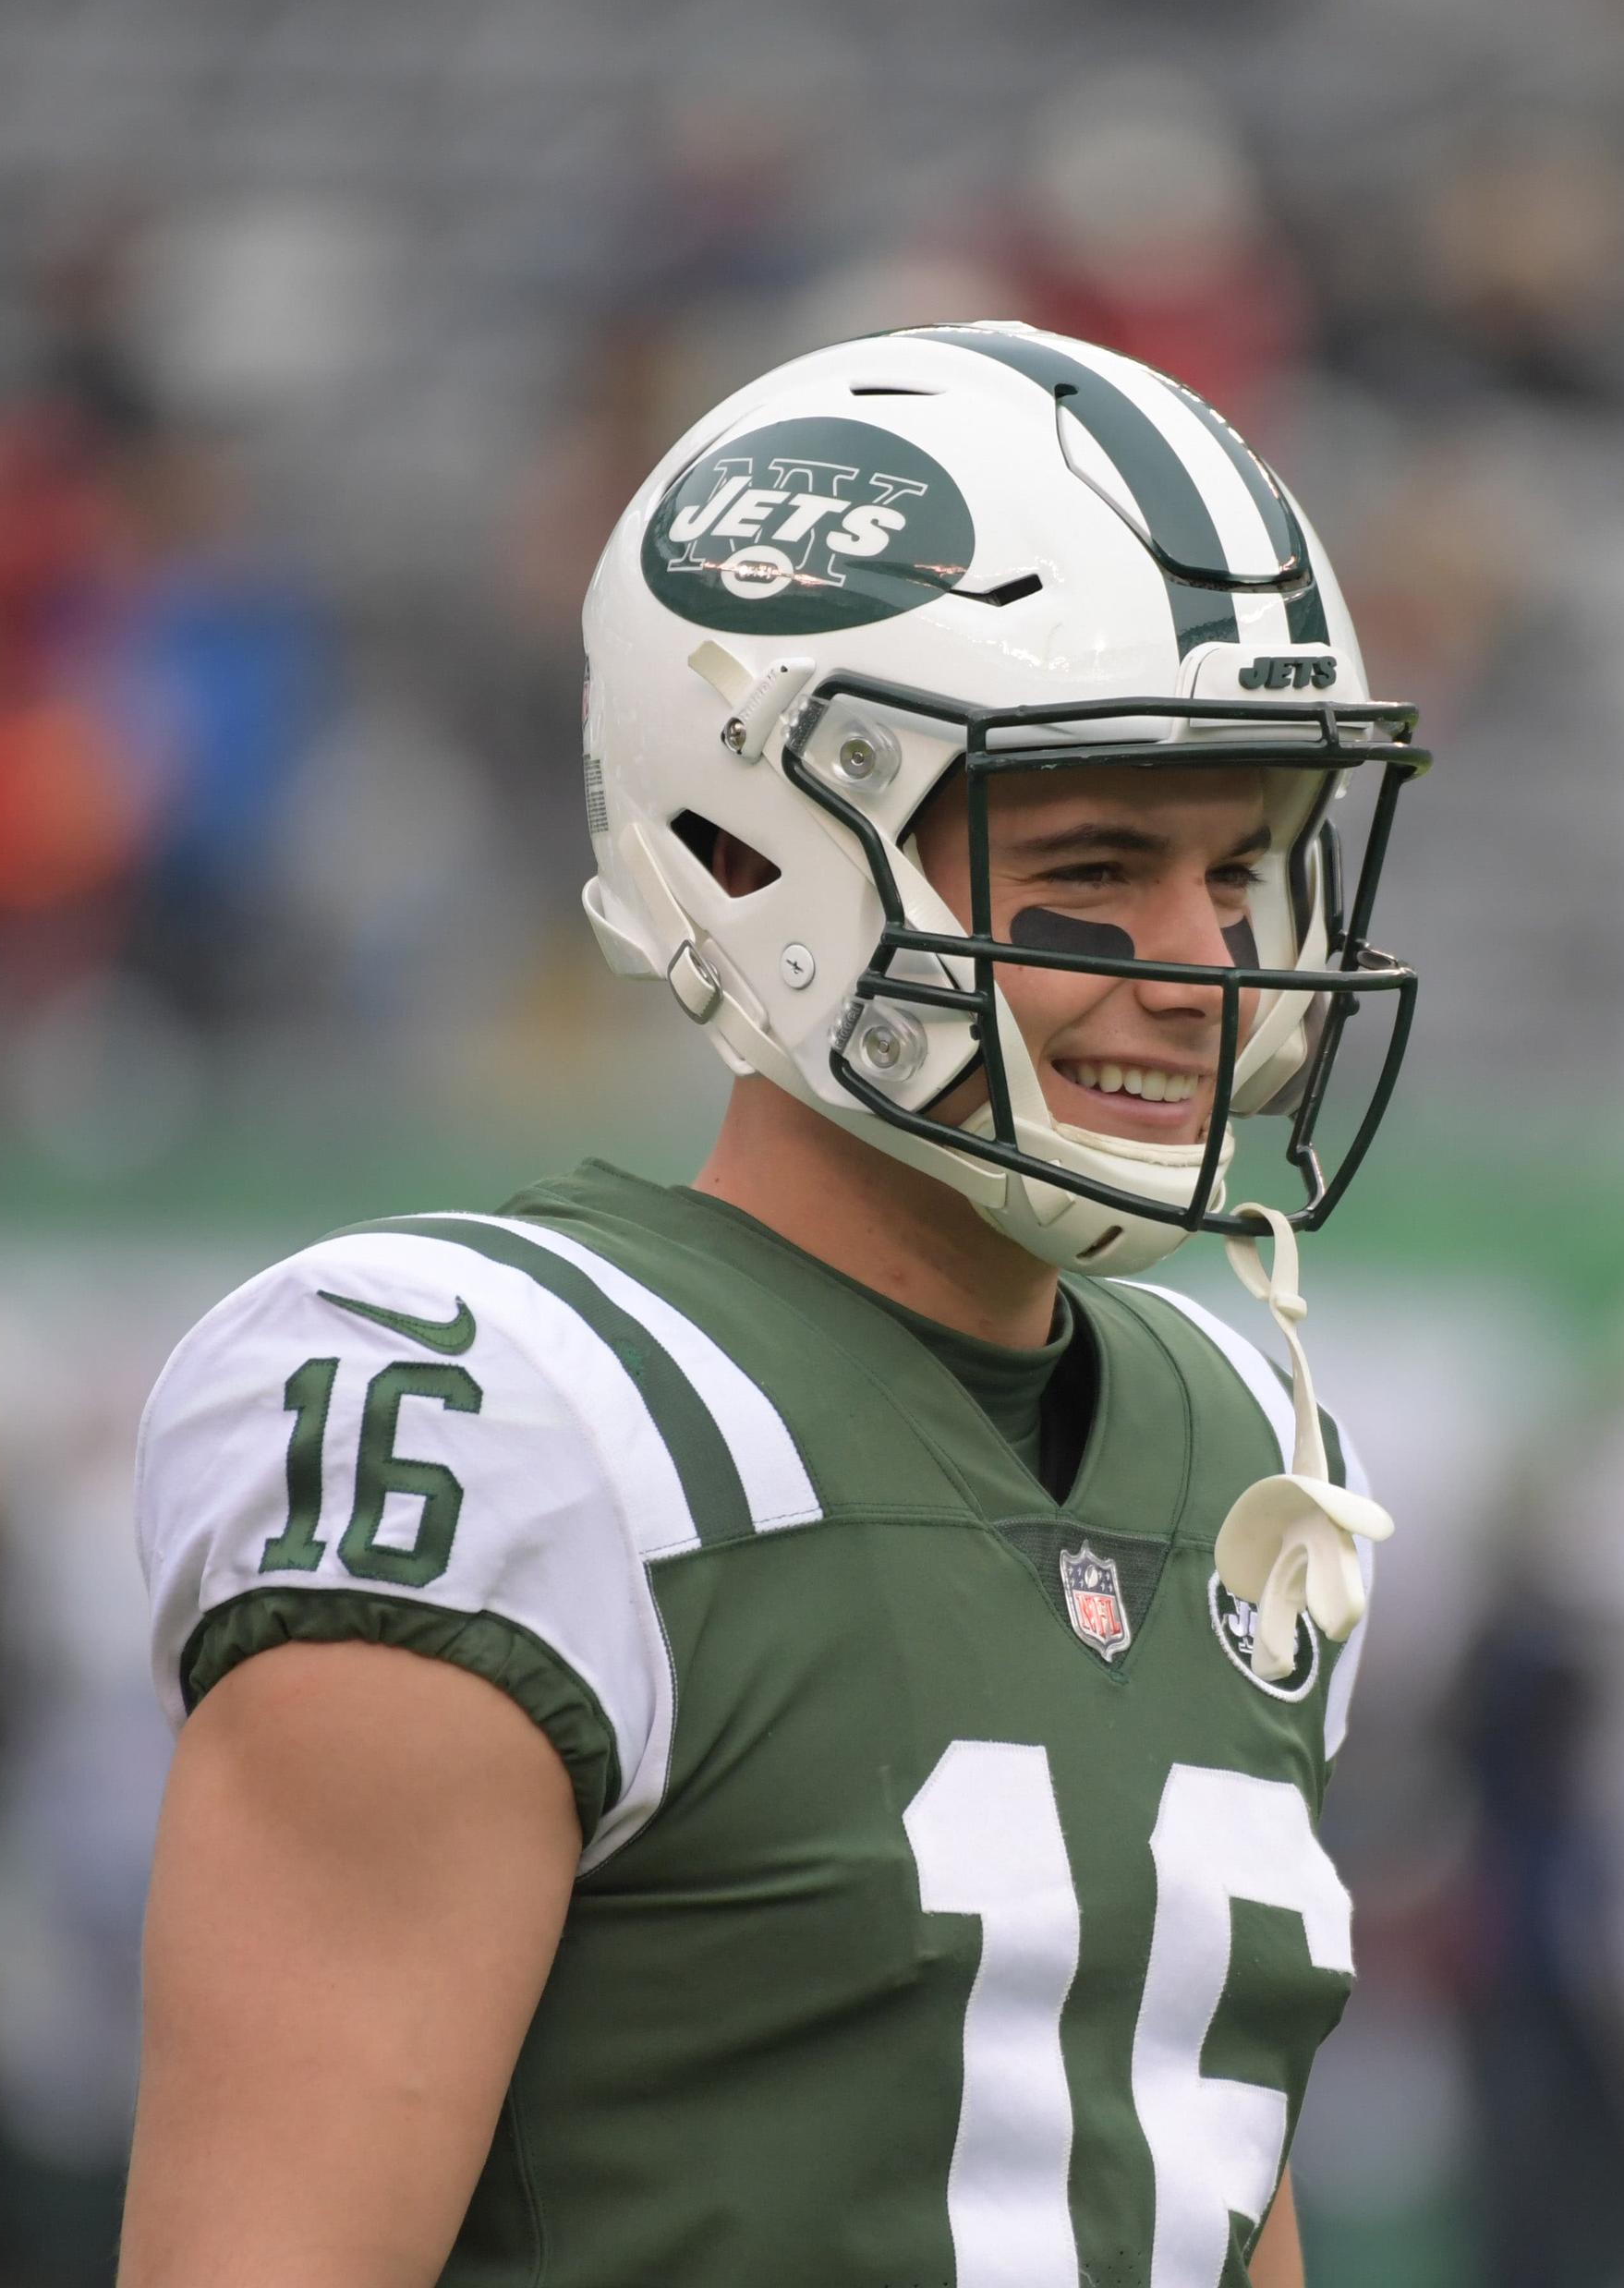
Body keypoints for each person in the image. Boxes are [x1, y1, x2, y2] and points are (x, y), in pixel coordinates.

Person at [121, 321, 1429, 2286]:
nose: (1205, 963)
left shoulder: (1238, 1434)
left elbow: (1187, 2176)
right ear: (763, 852)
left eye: (1241, 867)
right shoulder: (522, 1417)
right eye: (1097, 864)